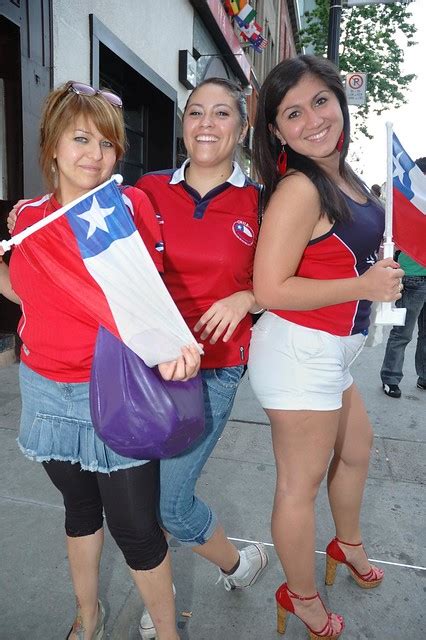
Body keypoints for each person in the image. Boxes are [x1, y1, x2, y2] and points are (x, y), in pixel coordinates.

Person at [6, 77, 269, 640]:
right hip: (46, 390)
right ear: (52, 145)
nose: (95, 156)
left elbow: (146, 302)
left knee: (138, 530)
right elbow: (29, 288)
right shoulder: (28, 217)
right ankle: (89, 616)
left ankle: (169, 634)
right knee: (79, 513)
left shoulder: (131, 209)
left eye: (107, 144)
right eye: (81, 140)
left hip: (114, 393)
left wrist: (173, 351)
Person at [248, 55, 404, 639]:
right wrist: (364, 285)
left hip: (333, 349)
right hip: (298, 351)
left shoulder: (347, 176)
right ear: (276, 131)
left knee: (357, 449)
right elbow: (269, 287)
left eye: (320, 101)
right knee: (299, 485)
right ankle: (302, 594)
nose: (312, 119)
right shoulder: (298, 187)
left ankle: (346, 544)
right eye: (293, 112)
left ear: (341, 100)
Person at [135, 77, 268, 638]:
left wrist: (246, 298)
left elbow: (286, 278)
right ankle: (162, 604)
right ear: (183, 122)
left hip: (214, 370)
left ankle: (239, 565)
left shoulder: (260, 202)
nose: (207, 124)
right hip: (146, 369)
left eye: (221, 114)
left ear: (241, 128)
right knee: (145, 498)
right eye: (195, 112)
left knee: (171, 501)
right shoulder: (146, 189)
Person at [380, 157, 426, 398]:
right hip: (414, 277)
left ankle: (424, 377)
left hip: (417, 277)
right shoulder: (412, 203)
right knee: (403, 333)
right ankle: (391, 378)